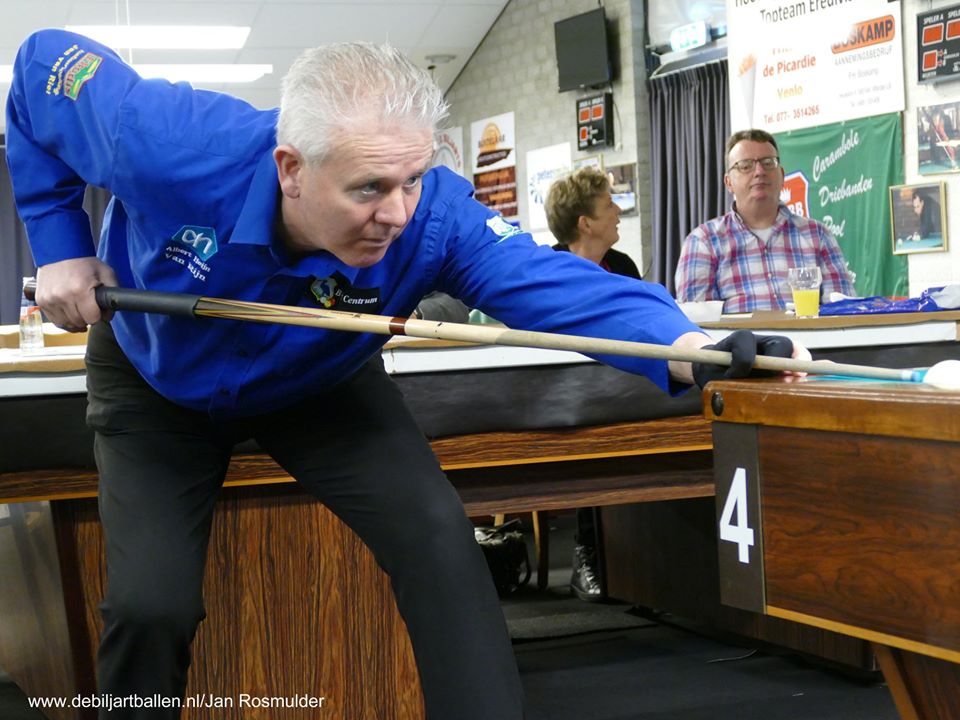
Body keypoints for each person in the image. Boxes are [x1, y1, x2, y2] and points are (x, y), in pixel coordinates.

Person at [6, 30, 805, 720]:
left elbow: (555, 287)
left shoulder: (433, 216)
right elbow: (42, 67)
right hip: (155, 374)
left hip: (319, 381)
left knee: (439, 545)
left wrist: (686, 344)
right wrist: (59, 243)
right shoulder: (169, 141)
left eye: (411, 180)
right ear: (290, 168)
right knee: (151, 606)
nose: (396, 213)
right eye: (368, 189)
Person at [544, 166, 636, 601]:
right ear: (585, 222)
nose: (618, 211)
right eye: (608, 205)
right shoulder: (547, 270)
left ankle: (638, 561)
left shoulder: (622, 265)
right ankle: (586, 554)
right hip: (563, 392)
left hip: (622, 383)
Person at [675, 129, 855, 314]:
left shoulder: (817, 235)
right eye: (745, 166)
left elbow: (842, 313)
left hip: (812, 343)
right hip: (742, 343)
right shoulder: (704, 243)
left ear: (782, 175)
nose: (759, 171)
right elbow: (697, 327)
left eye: (768, 163)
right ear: (728, 182)